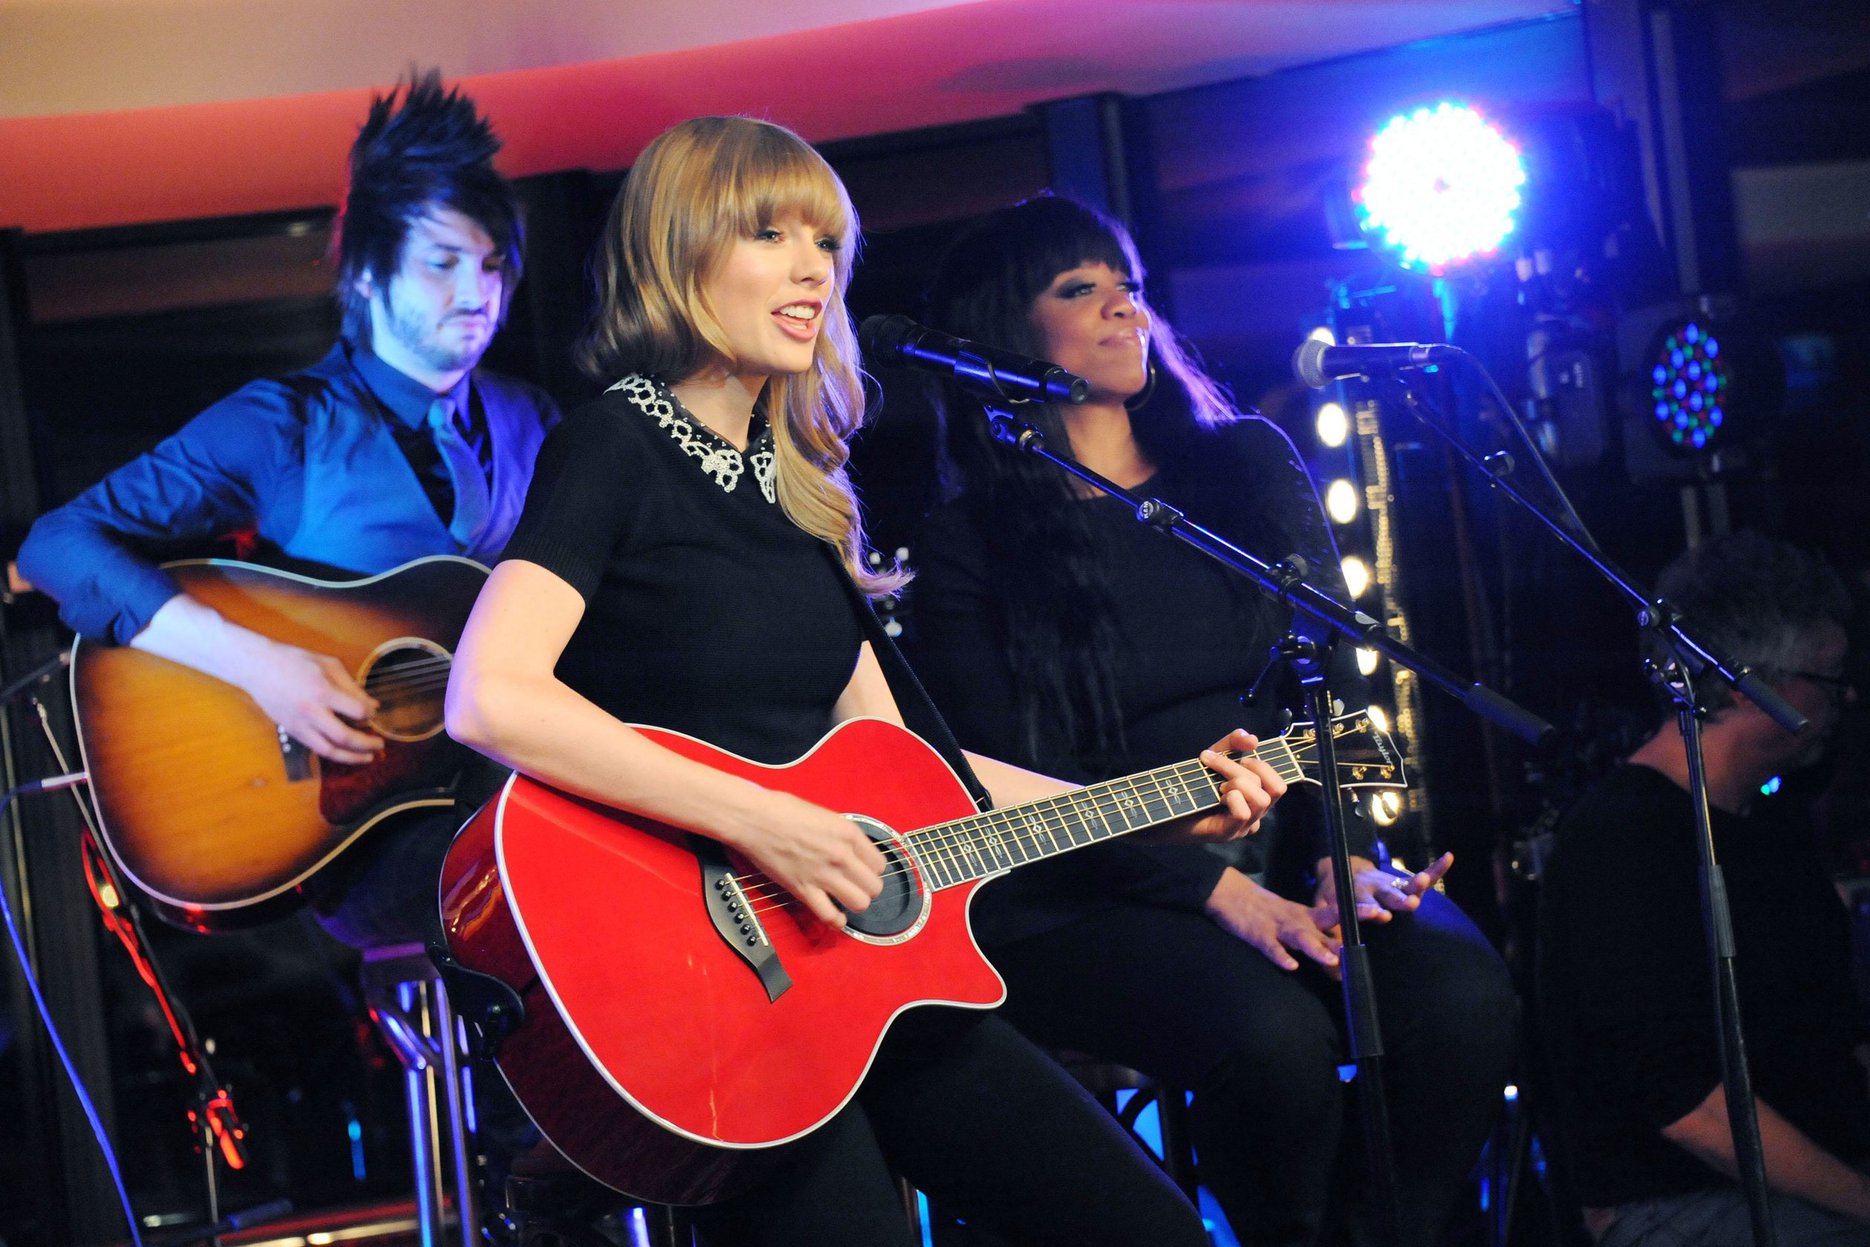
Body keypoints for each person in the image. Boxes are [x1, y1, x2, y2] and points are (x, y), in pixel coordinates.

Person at [441, 116, 1282, 1247]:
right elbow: (489, 694)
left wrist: (1156, 806)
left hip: (857, 973)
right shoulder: (613, 444)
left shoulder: (807, 489)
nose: (812, 269)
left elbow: (911, 772)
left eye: (826, 242)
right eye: (770, 234)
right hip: (709, 995)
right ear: (681, 254)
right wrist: (766, 821)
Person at [904, 193, 1517, 1247]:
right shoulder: (968, 543)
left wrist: (1338, 857)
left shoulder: (1246, 466)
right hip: (1087, 892)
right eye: (1080, 288)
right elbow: (1000, 776)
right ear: (1007, 332)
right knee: (1274, 1043)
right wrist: (1219, 893)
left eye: (1129, 283)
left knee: (1460, 997)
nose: (1123, 306)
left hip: (1281, 851)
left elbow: (1328, 684)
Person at [15, 70, 558, 947]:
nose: (478, 293)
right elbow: (58, 543)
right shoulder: (284, 426)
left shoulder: (535, 423)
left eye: (493, 265)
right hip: (369, 834)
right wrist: (260, 665)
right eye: (443, 262)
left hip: (521, 787)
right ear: (370, 274)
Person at [1538, 531, 1870, 1246]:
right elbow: (1692, 1109)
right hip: (1678, 1203)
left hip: (1805, 1182)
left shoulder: (1770, 825)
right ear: (1748, 684)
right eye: (1827, 678)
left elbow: (1837, 1038)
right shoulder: (1619, 841)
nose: (1845, 698)